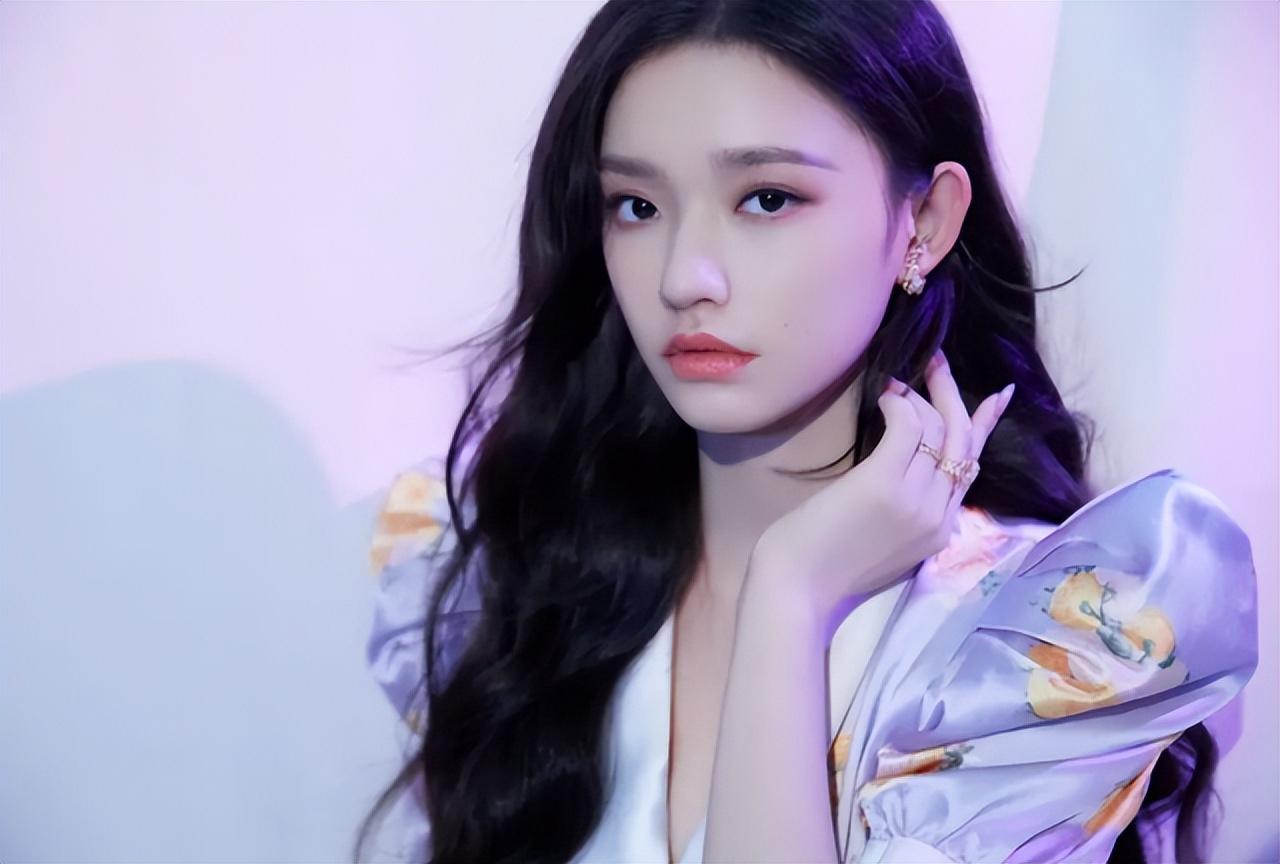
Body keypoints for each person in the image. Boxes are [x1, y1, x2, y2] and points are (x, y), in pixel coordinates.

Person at [355, 1, 1259, 862]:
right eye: (637, 205)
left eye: (767, 199)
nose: (684, 276)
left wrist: (790, 596)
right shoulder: (518, 578)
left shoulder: (1024, 651)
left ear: (926, 221)